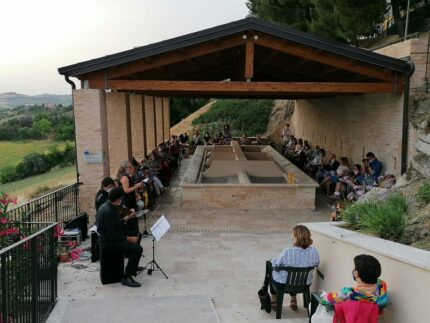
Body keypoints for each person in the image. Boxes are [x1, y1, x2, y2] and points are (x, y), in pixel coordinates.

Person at [263, 225, 320, 310]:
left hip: (284, 285)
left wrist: (272, 261)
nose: (291, 237)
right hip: (305, 284)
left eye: (292, 235)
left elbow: (276, 264)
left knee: (271, 269)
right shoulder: (314, 251)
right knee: (294, 276)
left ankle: (273, 299)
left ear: (297, 237)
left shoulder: (287, 251)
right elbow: (317, 263)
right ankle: (293, 299)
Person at [96, 188, 143, 287]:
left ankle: (132, 266)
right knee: (138, 249)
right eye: (120, 198)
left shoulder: (107, 206)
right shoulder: (109, 212)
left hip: (111, 238)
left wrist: (127, 218)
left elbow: (115, 225)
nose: (121, 200)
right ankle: (127, 277)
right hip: (109, 243)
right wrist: (129, 239)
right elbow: (113, 236)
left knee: (136, 235)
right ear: (118, 199)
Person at [319, 254, 388, 309]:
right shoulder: (382, 286)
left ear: (356, 273)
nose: (353, 269)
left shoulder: (349, 292)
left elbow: (327, 300)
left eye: (354, 267)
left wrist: (324, 295)